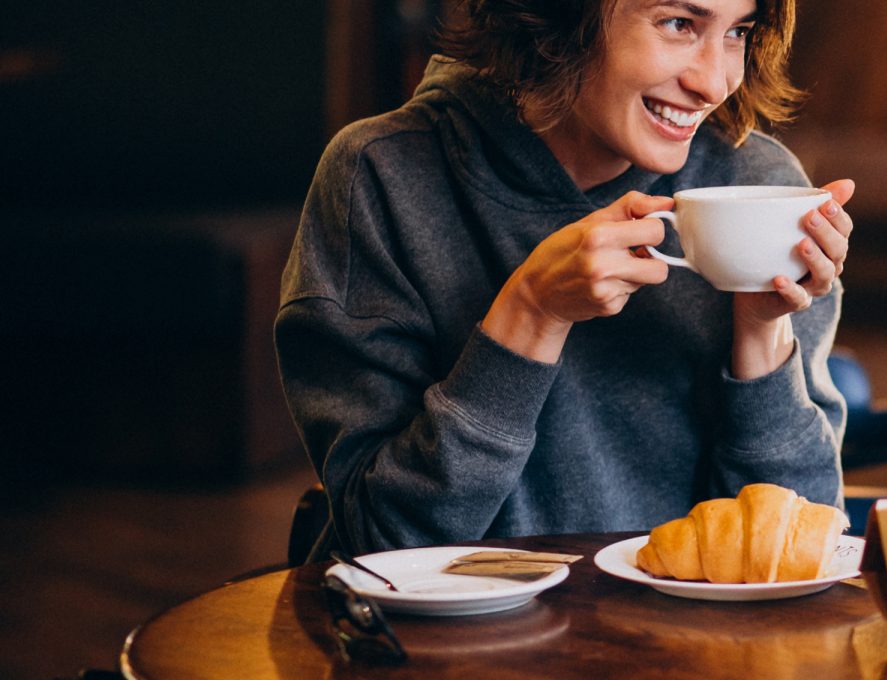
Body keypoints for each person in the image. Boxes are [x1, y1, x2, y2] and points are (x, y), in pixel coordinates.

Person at [276, 0, 854, 558]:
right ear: (558, 13)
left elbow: (802, 541)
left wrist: (760, 335)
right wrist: (530, 313)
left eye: (738, 33)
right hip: (459, 651)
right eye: (679, 23)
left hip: (691, 644)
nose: (716, 81)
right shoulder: (383, 176)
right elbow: (380, 543)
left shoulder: (756, 187)